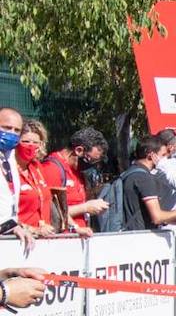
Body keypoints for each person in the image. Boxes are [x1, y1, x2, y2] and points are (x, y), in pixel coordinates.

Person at [41, 127, 109, 233]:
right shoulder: (52, 169)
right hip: (62, 239)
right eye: (91, 160)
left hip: (79, 236)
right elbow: (52, 211)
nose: (92, 166)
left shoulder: (77, 170)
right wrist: (86, 207)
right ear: (78, 150)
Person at [121, 137, 176, 232]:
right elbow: (157, 217)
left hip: (128, 234)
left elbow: (142, 212)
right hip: (138, 237)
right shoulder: (144, 178)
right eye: (163, 155)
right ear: (151, 155)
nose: (165, 159)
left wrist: (170, 220)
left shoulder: (130, 172)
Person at [0, 109, 37, 255]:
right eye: (7, 128)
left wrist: (14, 225)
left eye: (17, 131)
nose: (12, 134)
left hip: (8, 237)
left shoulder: (9, 158)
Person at [15, 121, 55, 237]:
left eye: (35, 142)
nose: (30, 146)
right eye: (26, 142)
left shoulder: (37, 167)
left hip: (41, 241)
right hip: (16, 241)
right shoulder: (7, 171)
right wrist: (33, 230)